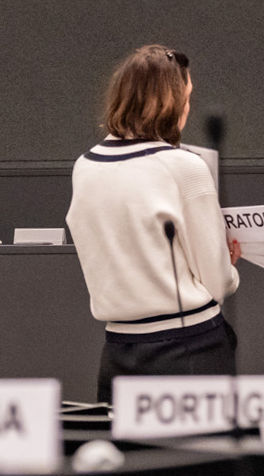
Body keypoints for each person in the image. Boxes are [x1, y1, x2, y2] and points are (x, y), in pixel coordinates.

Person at [67, 45, 242, 402]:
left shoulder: (84, 166)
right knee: (201, 459)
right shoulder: (184, 167)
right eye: (187, 97)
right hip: (190, 348)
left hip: (118, 352)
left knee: (131, 457)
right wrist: (228, 266)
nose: (189, 108)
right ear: (170, 103)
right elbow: (218, 282)